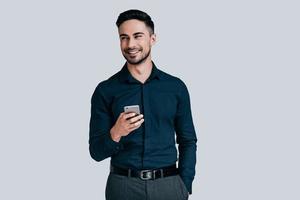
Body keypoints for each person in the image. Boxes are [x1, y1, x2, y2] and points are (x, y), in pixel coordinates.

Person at [89, 9, 197, 200]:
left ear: (152, 39)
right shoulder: (105, 90)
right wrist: (116, 132)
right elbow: (96, 152)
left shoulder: (175, 87)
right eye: (124, 37)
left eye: (137, 36)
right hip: (122, 187)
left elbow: (188, 140)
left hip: (169, 186)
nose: (130, 44)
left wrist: (184, 184)